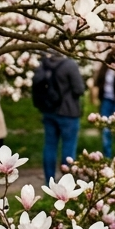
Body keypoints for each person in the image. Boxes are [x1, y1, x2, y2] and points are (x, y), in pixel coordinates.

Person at [32, 50, 84, 183]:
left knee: (49, 146)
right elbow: (79, 89)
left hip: (49, 111)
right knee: (68, 146)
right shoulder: (70, 65)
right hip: (68, 112)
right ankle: (67, 182)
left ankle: (49, 181)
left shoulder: (44, 64)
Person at [91, 49, 115, 158]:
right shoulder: (104, 70)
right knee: (106, 129)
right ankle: (107, 155)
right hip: (106, 100)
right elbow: (97, 83)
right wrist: (95, 98)